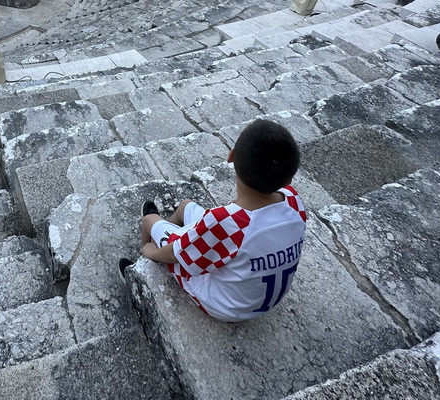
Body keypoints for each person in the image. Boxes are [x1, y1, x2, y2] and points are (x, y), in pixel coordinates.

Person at [129, 119, 307, 322]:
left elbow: (175, 255)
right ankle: (173, 229)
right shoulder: (293, 201)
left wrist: (153, 251)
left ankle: (142, 266)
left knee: (150, 220)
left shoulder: (225, 221)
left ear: (231, 156)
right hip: (259, 298)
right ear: (289, 179)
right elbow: (228, 229)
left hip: (225, 305)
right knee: (185, 206)